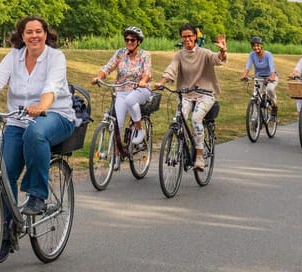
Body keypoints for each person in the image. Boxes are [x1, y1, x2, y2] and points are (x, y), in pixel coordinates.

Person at [0, 16, 76, 261]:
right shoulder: (14, 57)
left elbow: (52, 87)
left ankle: (37, 194)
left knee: (36, 132)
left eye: (38, 31)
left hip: (56, 115)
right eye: (28, 32)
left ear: (46, 34)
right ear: (22, 36)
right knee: (4, 173)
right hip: (17, 119)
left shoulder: (56, 57)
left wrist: (41, 107)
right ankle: (4, 232)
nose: (34, 36)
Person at [154, 23, 227, 170]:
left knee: (195, 119)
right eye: (184, 37)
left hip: (205, 94)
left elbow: (217, 59)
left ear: (195, 37)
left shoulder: (204, 53)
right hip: (186, 95)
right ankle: (183, 145)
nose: (187, 39)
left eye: (189, 36)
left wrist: (223, 51)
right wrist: (161, 83)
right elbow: (171, 70)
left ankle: (199, 156)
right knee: (179, 118)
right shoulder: (179, 55)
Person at [91, 26, 152, 147]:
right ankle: (116, 158)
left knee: (130, 100)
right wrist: (98, 77)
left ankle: (140, 130)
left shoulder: (145, 55)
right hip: (121, 90)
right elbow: (108, 67)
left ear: (138, 41)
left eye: (132, 40)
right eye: (127, 39)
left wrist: (143, 81)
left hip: (140, 89)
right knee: (117, 124)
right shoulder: (120, 53)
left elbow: (148, 73)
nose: (129, 42)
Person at [239, 36, 278, 118]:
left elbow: (272, 67)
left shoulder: (268, 55)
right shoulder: (252, 55)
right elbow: (248, 66)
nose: (256, 47)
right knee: (255, 96)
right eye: (254, 46)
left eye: (257, 45)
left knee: (270, 89)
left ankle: (274, 106)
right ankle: (255, 120)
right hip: (259, 77)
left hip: (270, 77)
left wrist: (272, 76)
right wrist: (244, 75)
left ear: (261, 46)